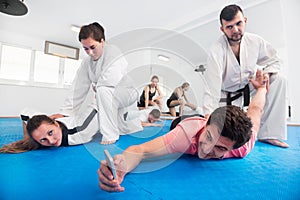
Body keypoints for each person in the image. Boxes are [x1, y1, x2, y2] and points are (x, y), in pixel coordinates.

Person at [98, 69, 268, 192]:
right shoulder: (184, 135)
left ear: (234, 147)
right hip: (186, 123)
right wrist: (121, 166)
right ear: (207, 122)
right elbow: (140, 151)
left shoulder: (244, 145)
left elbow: (256, 109)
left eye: (221, 148)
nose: (207, 149)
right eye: (209, 137)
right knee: (179, 122)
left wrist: (260, 88)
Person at [202, 4, 288, 148]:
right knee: (226, 133)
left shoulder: (255, 41)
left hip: (248, 88)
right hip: (225, 96)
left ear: (245, 20)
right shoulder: (216, 51)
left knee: (278, 80)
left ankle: (269, 134)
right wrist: (207, 118)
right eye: (229, 27)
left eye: (238, 23)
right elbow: (212, 88)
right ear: (222, 29)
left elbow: (274, 60)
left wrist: (266, 74)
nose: (235, 30)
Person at [53, 22, 139, 145]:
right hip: (109, 94)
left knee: (102, 91)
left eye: (92, 47)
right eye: (85, 48)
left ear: (102, 42)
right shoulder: (87, 62)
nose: (89, 52)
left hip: (127, 93)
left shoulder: (113, 52)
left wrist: (96, 97)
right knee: (122, 125)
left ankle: (110, 135)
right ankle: (120, 127)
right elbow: (78, 87)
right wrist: (65, 112)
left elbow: (109, 81)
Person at [0, 106, 100, 153]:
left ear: (55, 123)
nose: (52, 141)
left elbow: (99, 105)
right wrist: (27, 137)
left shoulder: (81, 132)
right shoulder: (38, 128)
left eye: (50, 133)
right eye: (43, 140)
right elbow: (24, 113)